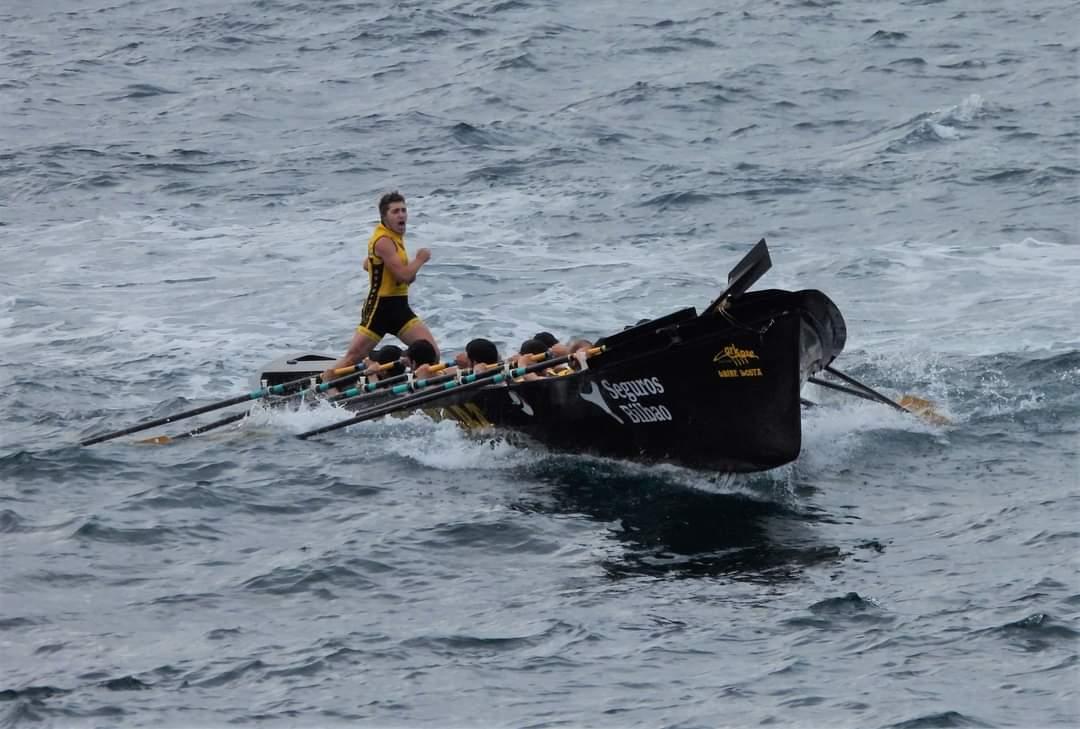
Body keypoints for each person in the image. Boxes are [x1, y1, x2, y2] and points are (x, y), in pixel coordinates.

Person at [322, 191, 440, 383]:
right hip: (380, 308)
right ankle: (323, 385)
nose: (401, 215)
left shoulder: (394, 236)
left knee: (431, 353)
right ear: (384, 217)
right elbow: (404, 276)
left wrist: (380, 267)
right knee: (354, 356)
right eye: (395, 212)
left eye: (403, 210)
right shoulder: (384, 240)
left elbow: (366, 264)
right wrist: (420, 259)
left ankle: (420, 389)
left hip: (400, 308)